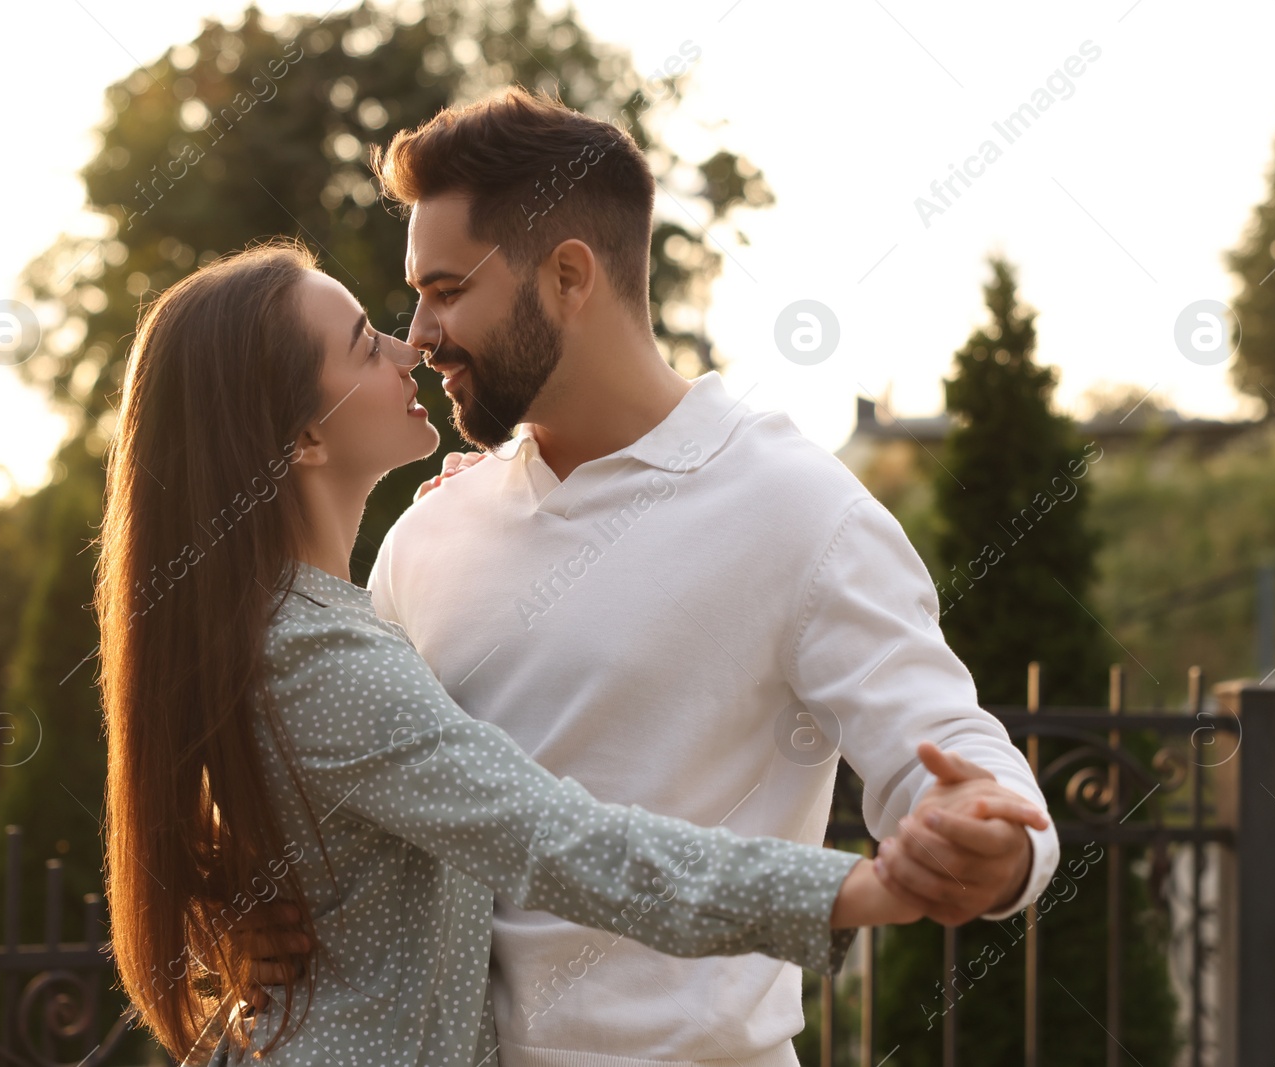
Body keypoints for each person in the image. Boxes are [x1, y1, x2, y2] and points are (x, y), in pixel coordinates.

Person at [245, 87, 1060, 1067]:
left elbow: (950, 740)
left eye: (448, 288)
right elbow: (356, 794)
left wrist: (991, 834)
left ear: (568, 276)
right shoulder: (430, 529)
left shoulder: (798, 507)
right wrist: (256, 903)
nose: (418, 333)